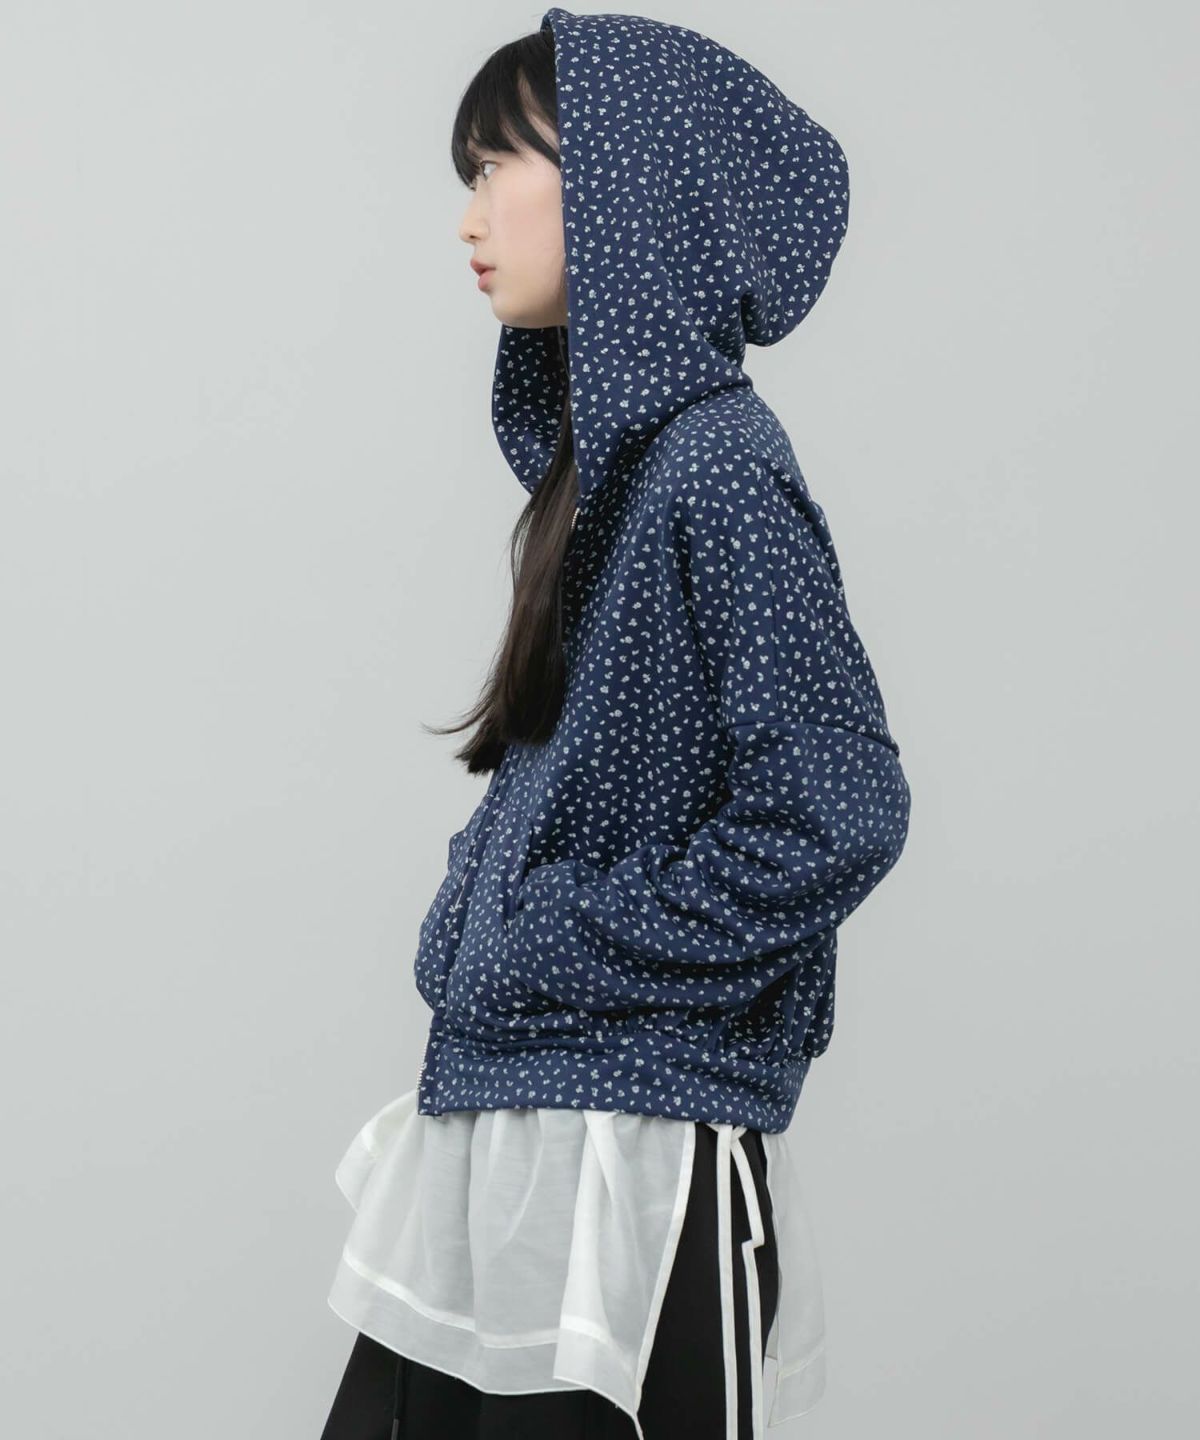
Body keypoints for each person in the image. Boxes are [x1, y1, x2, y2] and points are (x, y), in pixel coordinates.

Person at [321, 8, 912, 1438]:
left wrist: (558, 943)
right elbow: (566, 778)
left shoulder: (718, 467)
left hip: (637, 1161)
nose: (469, 217)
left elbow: (840, 806)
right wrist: (473, 921)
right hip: (509, 1124)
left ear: (620, 181)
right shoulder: (608, 486)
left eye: (494, 169)